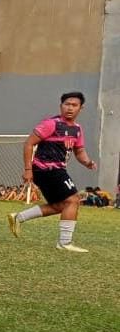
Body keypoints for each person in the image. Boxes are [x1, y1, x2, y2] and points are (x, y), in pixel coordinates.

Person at [7, 91, 98, 252]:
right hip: (45, 169)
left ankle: (18, 217)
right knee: (73, 200)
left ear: (80, 108)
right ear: (61, 106)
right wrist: (28, 169)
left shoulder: (77, 129)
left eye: (74, 105)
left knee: (60, 206)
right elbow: (29, 144)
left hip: (58, 169)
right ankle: (64, 243)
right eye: (67, 104)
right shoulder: (51, 124)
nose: (70, 108)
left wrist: (88, 162)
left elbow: (79, 151)